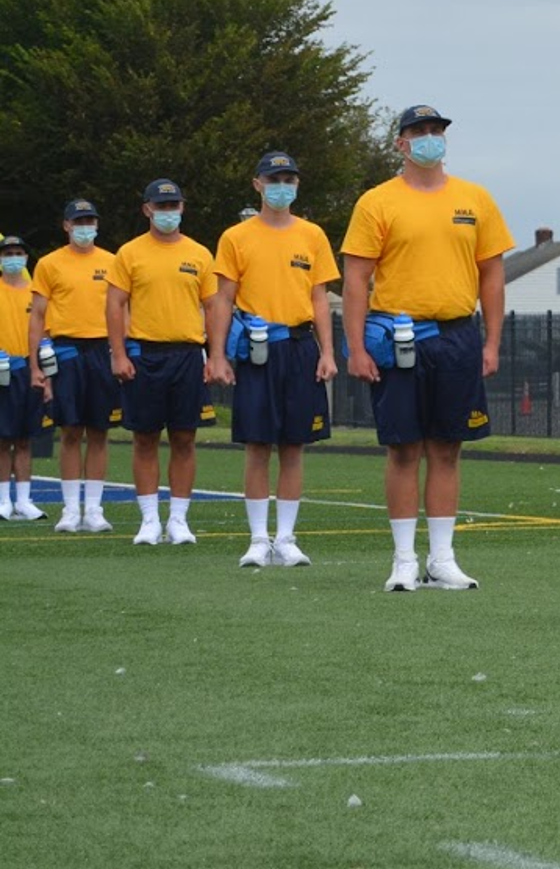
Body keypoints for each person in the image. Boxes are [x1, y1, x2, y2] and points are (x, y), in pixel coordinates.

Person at [341, 105, 514, 592]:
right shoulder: (377, 202)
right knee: (402, 448)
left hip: (458, 336)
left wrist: (493, 341)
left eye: (436, 130)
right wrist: (355, 346)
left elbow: (492, 275)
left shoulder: (475, 199)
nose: (430, 138)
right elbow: (356, 278)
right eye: (419, 131)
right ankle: (402, 560)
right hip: (399, 337)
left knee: (448, 448)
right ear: (400, 143)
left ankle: (442, 558)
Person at [205, 151, 339, 567]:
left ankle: (286, 538)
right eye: (274, 178)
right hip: (258, 351)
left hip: (301, 349)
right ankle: (259, 539)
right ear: (257, 184)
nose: (283, 185)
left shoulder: (313, 235)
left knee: (294, 445)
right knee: (258, 445)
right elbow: (223, 299)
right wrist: (218, 354)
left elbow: (319, 298)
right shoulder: (235, 237)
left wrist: (328, 353)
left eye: (290, 179)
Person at [105, 179, 217, 545]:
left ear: (182, 208)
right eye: (161, 206)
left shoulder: (200, 254)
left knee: (185, 436)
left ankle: (179, 520)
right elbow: (115, 303)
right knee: (145, 437)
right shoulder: (129, 253)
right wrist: (119, 353)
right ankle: (150, 519)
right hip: (145, 354)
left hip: (187, 354)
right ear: (147, 209)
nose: (168, 212)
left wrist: (215, 355)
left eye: (174, 206)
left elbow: (213, 306)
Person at [27, 199, 121, 533]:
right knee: (69, 430)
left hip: (101, 349)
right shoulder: (50, 264)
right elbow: (37, 315)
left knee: (99, 430)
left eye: (90, 220)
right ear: (66, 225)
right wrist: (36, 362)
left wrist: (122, 352)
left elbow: (124, 309)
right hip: (64, 351)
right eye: (78, 221)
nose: (85, 227)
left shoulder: (113, 262)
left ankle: (93, 509)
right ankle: (70, 509)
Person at [1, 235, 50, 521]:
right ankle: (3, 500)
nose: (13, 258)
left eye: (19, 253)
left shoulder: (36, 291)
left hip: (30, 370)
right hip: (2, 369)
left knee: (24, 439)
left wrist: (45, 374)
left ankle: (23, 500)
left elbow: (47, 333)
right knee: (1, 438)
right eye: (8, 253)